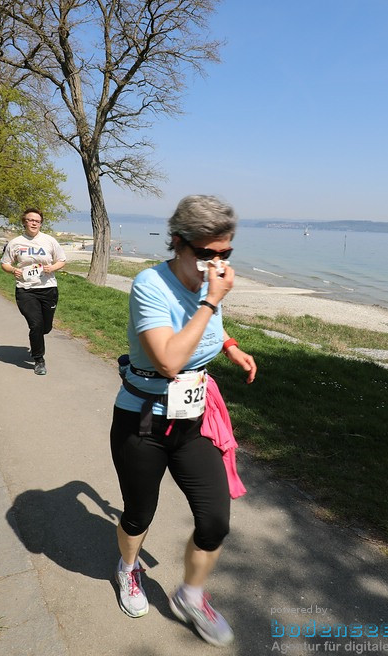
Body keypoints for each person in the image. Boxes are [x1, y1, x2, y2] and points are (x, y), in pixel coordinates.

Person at [109, 195, 257, 647]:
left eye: (225, 255)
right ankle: (128, 568)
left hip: (194, 420)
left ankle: (190, 595)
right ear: (177, 242)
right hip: (143, 421)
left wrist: (230, 347)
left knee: (214, 522)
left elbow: (210, 330)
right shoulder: (150, 285)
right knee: (138, 515)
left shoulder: (207, 285)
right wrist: (211, 300)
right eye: (206, 254)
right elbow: (171, 360)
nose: (216, 264)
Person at [0, 208, 66, 375]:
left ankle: (36, 341)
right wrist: (13, 270)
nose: (34, 223)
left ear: (41, 223)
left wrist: (53, 267)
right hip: (26, 290)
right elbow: (5, 263)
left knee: (45, 328)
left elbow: (62, 260)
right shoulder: (15, 243)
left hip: (48, 288)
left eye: (37, 220)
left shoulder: (49, 241)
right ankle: (39, 359)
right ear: (24, 222)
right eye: (30, 220)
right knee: (35, 324)